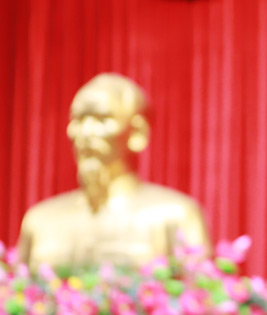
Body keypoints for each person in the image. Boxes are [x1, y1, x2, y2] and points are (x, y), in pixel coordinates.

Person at [17, 73, 210, 270]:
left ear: (137, 132)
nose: (86, 133)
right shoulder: (40, 220)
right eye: (79, 120)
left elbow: (201, 294)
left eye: (102, 120)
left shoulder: (174, 215)